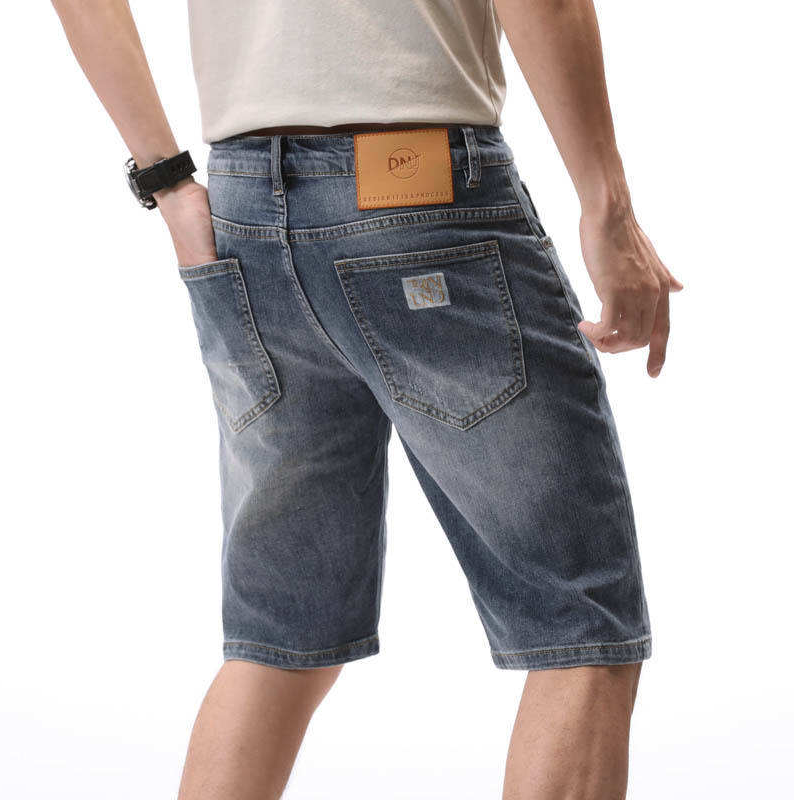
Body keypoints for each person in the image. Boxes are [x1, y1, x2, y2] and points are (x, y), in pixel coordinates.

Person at [51, 1, 682, 798]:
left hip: (241, 211)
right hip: (420, 192)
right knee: (581, 625)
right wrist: (607, 205)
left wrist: (166, 179)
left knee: (281, 638)